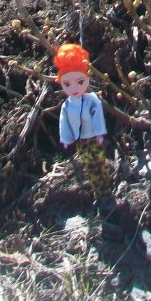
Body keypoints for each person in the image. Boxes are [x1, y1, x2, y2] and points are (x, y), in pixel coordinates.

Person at [55, 43, 112, 202]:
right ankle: (99, 192)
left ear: (87, 78)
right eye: (67, 84)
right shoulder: (67, 105)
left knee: (99, 163)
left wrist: (100, 132)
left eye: (79, 82)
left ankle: (105, 189)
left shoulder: (91, 100)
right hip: (82, 142)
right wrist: (66, 138)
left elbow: (98, 116)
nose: (74, 87)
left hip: (94, 139)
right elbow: (64, 121)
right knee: (90, 166)